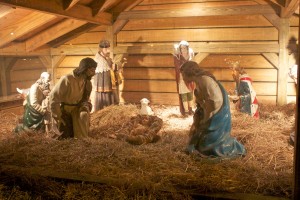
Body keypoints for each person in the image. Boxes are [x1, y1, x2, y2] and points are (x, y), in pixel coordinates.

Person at [180, 61, 246, 158]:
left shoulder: (205, 80)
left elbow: (216, 101)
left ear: (188, 72)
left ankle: (223, 146)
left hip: (218, 116)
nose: (182, 78)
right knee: (198, 138)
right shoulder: (198, 81)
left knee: (207, 144)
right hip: (209, 114)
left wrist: (207, 118)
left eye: (183, 75)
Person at [49, 57, 97, 139]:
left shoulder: (87, 82)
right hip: (65, 112)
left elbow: (85, 99)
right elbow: (53, 97)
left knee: (81, 133)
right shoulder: (67, 79)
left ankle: (82, 143)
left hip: (77, 110)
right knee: (63, 137)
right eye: (92, 70)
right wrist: (58, 116)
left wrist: (85, 106)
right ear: (85, 69)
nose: (94, 72)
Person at [92, 39, 123, 112]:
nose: (108, 50)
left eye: (108, 48)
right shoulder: (98, 60)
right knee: (104, 99)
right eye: (106, 48)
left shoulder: (108, 58)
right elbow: (105, 71)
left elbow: (112, 67)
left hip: (110, 82)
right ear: (101, 49)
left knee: (111, 98)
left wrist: (118, 66)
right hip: (103, 85)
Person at [173, 40, 195, 116]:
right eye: (181, 48)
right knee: (184, 96)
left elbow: (192, 66)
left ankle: (191, 109)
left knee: (190, 95)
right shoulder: (178, 57)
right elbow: (178, 68)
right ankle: (185, 110)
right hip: (182, 79)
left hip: (189, 78)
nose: (183, 50)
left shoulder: (190, 55)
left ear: (187, 48)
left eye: (184, 48)